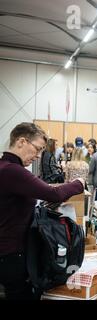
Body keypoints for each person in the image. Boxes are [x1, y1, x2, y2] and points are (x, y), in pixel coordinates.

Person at [0, 122, 84, 300]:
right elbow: (54, 194)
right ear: (22, 142)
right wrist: (79, 184)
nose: (38, 156)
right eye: (37, 149)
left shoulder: (6, 168)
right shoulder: (12, 171)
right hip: (12, 254)